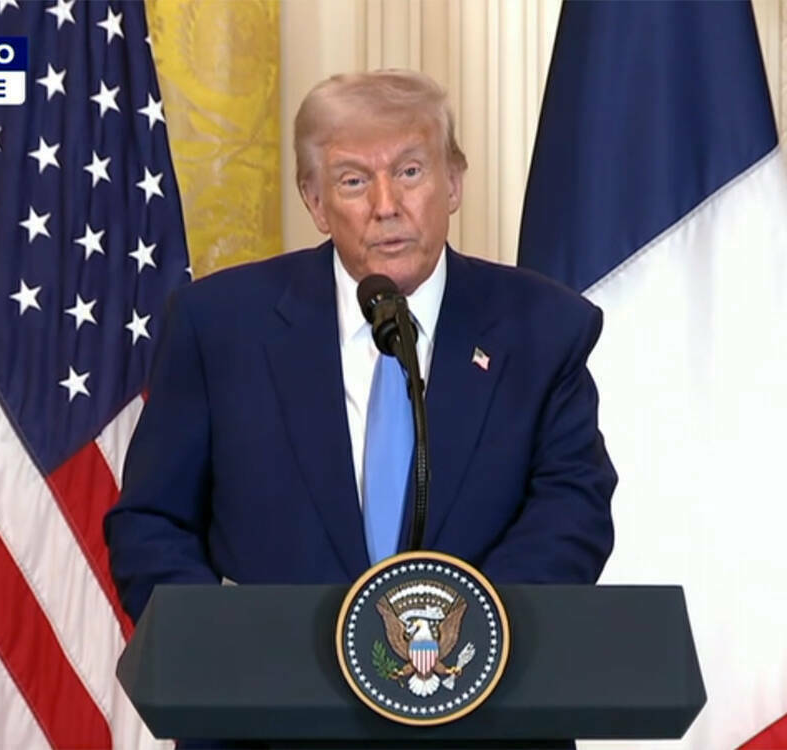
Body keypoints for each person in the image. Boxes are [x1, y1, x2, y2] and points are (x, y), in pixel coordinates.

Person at [104, 70, 617, 623]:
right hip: (269, 671)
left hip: (470, 666)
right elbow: (152, 524)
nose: (386, 204)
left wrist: (464, 638)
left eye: (410, 171)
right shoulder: (218, 327)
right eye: (353, 181)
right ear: (316, 202)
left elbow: (572, 513)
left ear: (453, 183)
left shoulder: (543, 329)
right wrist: (222, 645)